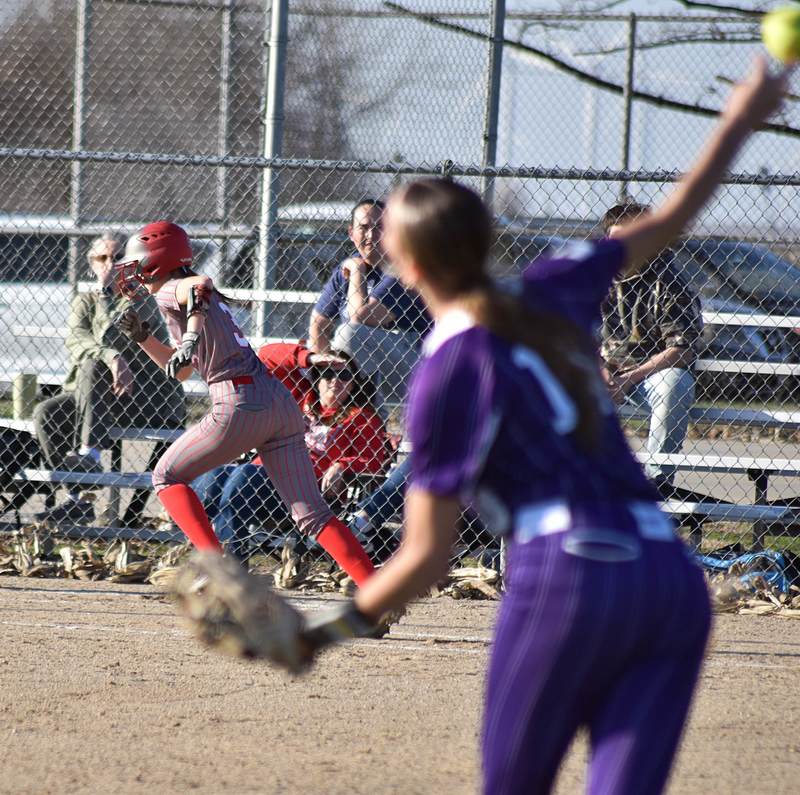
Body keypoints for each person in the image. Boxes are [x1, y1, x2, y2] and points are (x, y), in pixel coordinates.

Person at [244, 59, 783, 793]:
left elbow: (427, 557)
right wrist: (741, 120)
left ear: (405, 263)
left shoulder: (443, 373)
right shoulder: (555, 284)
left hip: (567, 576)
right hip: (668, 580)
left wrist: (318, 632)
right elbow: (671, 220)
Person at [111, 222, 376, 586]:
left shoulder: (172, 288)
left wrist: (189, 336)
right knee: (312, 514)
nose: (132, 271)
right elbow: (183, 371)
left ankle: (216, 568)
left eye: (138, 262)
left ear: (158, 261)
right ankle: (375, 590)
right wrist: (144, 338)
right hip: (278, 403)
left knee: (167, 476)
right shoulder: (180, 297)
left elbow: (199, 284)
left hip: (239, 401)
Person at [33, 233, 185, 525]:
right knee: (45, 413)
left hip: (145, 398)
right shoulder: (83, 301)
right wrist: (112, 358)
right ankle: (77, 498)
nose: (109, 264)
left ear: (130, 263)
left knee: (92, 365)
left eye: (116, 258)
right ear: (92, 264)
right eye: (102, 258)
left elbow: (112, 335)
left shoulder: (142, 298)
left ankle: (89, 456)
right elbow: (75, 340)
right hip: (99, 398)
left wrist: (105, 297)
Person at [192, 342, 387, 560]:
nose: (335, 381)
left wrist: (343, 465)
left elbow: (374, 460)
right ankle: (207, 557)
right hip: (260, 475)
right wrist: (310, 358)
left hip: (302, 489)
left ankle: (229, 564)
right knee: (211, 479)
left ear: (353, 384)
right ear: (316, 379)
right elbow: (265, 357)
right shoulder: (296, 397)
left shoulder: (362, 417)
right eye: (328, 373)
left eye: (344, 376)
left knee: (242, 477)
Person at [599, 202, 704, 494]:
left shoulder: (668, 280)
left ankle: (656, 484)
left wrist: (629, 378)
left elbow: (682, 348)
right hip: (605, 373)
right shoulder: (595, 277)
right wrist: (600, 369)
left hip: (650, 375)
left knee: (676, 383)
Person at [308, 199, 430, 407]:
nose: (371, 236)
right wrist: (324, 369)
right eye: (363, 228)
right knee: (306, 356)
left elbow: (361, 318)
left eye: (380, 228)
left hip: (413, 372)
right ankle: (329, 412)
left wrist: (357, 272)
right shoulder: (343, 270)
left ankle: (343, 409)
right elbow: (319, 324)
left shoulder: (402, 269)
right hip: (361, 374)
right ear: (351, 233)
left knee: (349, 333)